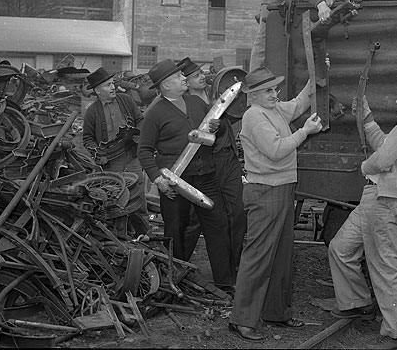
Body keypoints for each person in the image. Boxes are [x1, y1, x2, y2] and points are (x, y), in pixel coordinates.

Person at [327, 73, 397, 350]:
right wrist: (366, 117)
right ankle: (356, 302)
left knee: (385, 267)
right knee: (340, 248)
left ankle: (396, 333)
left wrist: (365, 167)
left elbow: (384, 157)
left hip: (386, 202)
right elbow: (385, 145)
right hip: (378, 198)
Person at [229, 67, 323, 342]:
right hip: (265, 191)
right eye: (268, 91)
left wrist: (315, 76)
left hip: (281, 189)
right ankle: (242, 320)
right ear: (253, 95)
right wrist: (305, 131)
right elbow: (276, 149)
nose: (274, 94)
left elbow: (299, 102)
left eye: (274, 89)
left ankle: (276, 312)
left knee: (281, 255)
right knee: (258, 256)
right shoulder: (254, 116)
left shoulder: (273, 110)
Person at [137, 59, 236, 290]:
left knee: (218, 225)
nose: (184, 78)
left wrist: (216, 127)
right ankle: (176, 280)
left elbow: (217, 130)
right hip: (175, 182)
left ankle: (225, 280)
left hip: (206, 176)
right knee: (176, 231)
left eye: (182, 75)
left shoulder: (195, 102)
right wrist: (157, 179)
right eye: (178, 76)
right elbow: (144, 150)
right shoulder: (155, 113)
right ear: (165, 86)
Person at [177, 57, 246, 271]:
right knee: (198, 218)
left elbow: (231, 117)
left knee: (237, 212)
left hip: (227, 159)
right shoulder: (184, 104)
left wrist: (222, 125)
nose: (202, 77)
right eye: (197, 75)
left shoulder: (214, 93)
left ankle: (234, 265)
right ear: (186, 82)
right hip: (206, 164)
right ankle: (179, 265)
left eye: (202, 74)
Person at [81, 67, 148, 235]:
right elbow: (87, 138)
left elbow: (140, 120)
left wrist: (137, 136)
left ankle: (144, 233)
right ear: (97, 90)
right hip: (110, 162)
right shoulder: (92, 111)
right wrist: (97, 153)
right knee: (116, 197)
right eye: (107, 85)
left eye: (112, 84)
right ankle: (121, 235)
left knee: (138, 194)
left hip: (131, 156)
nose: (112, 88)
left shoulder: (126, 100)